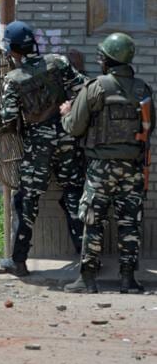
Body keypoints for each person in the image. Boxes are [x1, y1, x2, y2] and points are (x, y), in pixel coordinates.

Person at [61, 33, 155, 294]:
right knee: (130, 224)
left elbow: (75, 128)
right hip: (133, 169)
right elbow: (150, 128)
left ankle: (88, 280)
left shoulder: (95, 87)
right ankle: (128, 280)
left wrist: (66, 113)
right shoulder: (142, 89)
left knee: (93, 221)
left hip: (101, 168)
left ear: (107, 61)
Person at [0, 20, 87, 277]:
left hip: (38, 144)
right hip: (68, 138)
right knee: (74, 195)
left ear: (13, 50)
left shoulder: (13, 79)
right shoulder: (59, 62)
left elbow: (8, 117)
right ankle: (87, 260)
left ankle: (19, 261)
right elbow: (84, 89)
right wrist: (69, 106)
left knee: (27, 200)